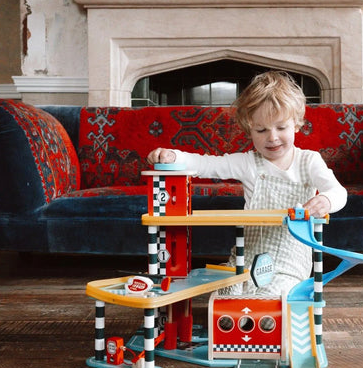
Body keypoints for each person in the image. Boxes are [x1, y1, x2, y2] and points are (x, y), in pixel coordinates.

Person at [147, 71, 347, 297]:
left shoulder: (309, 161)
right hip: (245, 261)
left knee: (270, 298)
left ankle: (266, 327)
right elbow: (205, 164)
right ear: (249, 130)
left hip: (288, 265)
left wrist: (326, 200)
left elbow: (338, 191)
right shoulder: (248, 162)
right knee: (223, 295)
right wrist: (172, 156)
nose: (272, 137)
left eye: (281, 128)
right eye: (261, 130)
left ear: (297, 125)